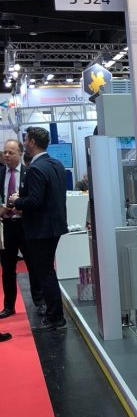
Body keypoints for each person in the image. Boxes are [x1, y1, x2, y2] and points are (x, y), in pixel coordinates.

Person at [8, 127, 68, 331]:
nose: (24, 143)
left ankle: (55, 317)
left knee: (45, 273)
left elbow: (34, 201)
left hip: (41, 229)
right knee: (48, 271)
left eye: (26, 139)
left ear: (32, 142)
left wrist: (16, 201)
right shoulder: (56, 164)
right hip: (55, 226)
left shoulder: (35, 168)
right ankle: (55, 315)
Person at [0, 137, 44, 322]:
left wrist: (22, 207)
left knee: (33, 265)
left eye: (11, 152)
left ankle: (39, 303)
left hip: (26, 225)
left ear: (20, 153)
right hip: (6, 226)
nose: (7, 155)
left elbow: (36, 199)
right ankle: (9, 305)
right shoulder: (0, 173)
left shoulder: (30, 173)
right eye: (5, 152)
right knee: (7, 267)